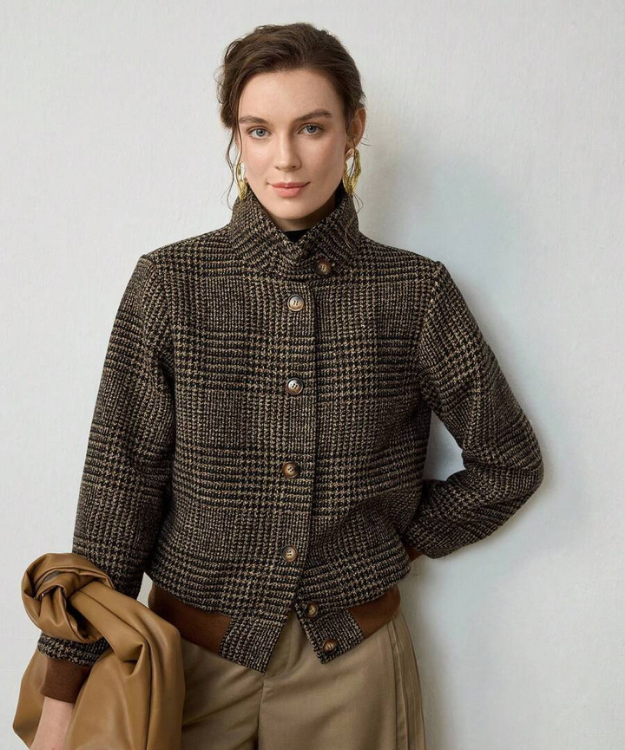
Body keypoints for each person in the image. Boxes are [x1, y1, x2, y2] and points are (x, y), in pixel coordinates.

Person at [30, 22, 544, 750]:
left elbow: (508, 463)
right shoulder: (169, 284)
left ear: (353, 129)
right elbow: (120, 491)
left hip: (354, 669)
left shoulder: (414, 291)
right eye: (259, 130)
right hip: (184, 668)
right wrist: (63, 690)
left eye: (311, 127)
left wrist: (391, 542)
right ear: (235, 136)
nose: (286, 159)